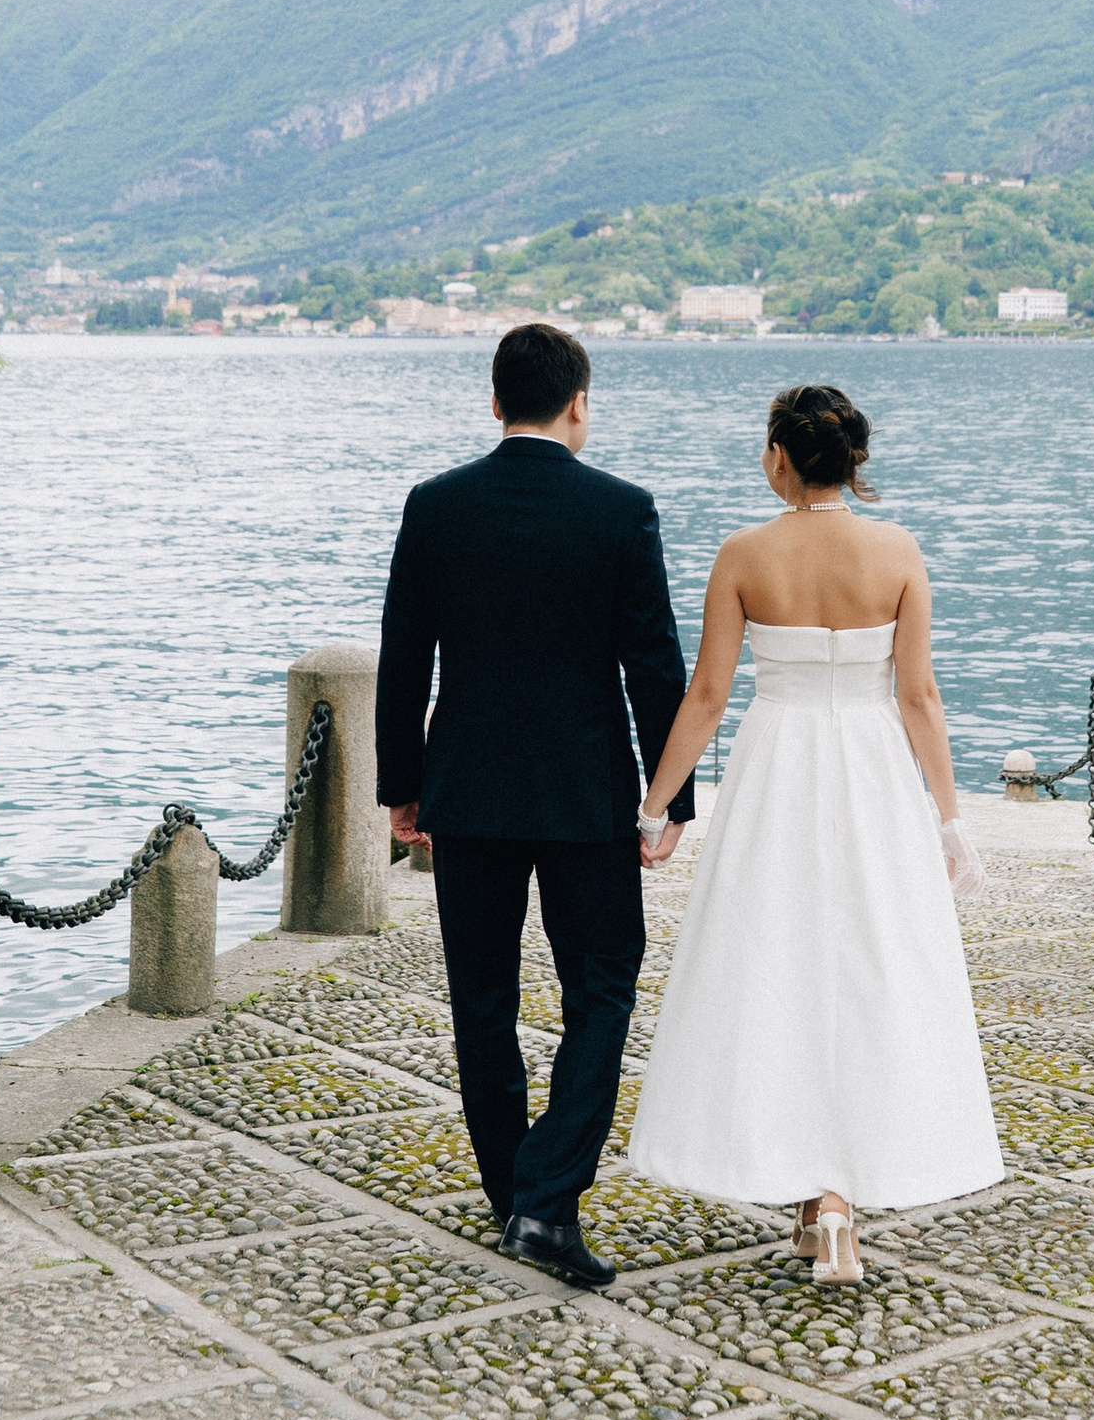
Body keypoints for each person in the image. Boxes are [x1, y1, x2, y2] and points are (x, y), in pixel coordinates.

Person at [625, 382, 999, 1283]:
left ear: (781, 457)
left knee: (777, 965)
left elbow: (707, 695)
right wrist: (948, 818)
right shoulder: (898, 550)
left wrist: (655, 807)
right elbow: (919, 698)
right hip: (874, 774)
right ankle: (837, 1204)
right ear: (852, 460)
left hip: (778, 769)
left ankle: (810, 1195)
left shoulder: (744, 554)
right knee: (869, 968)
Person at [376, 320, 696, 1290]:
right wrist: (668, 796)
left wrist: (402, 784)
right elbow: (652, 665)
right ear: (579, 403)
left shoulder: (435, 506)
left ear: (494, 401)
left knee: (481, 994)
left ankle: (514, 1189)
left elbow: (403, 657)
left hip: (466, 790)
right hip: (584, 796)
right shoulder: (621, 510)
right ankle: (545, 1198)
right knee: (601, 984)